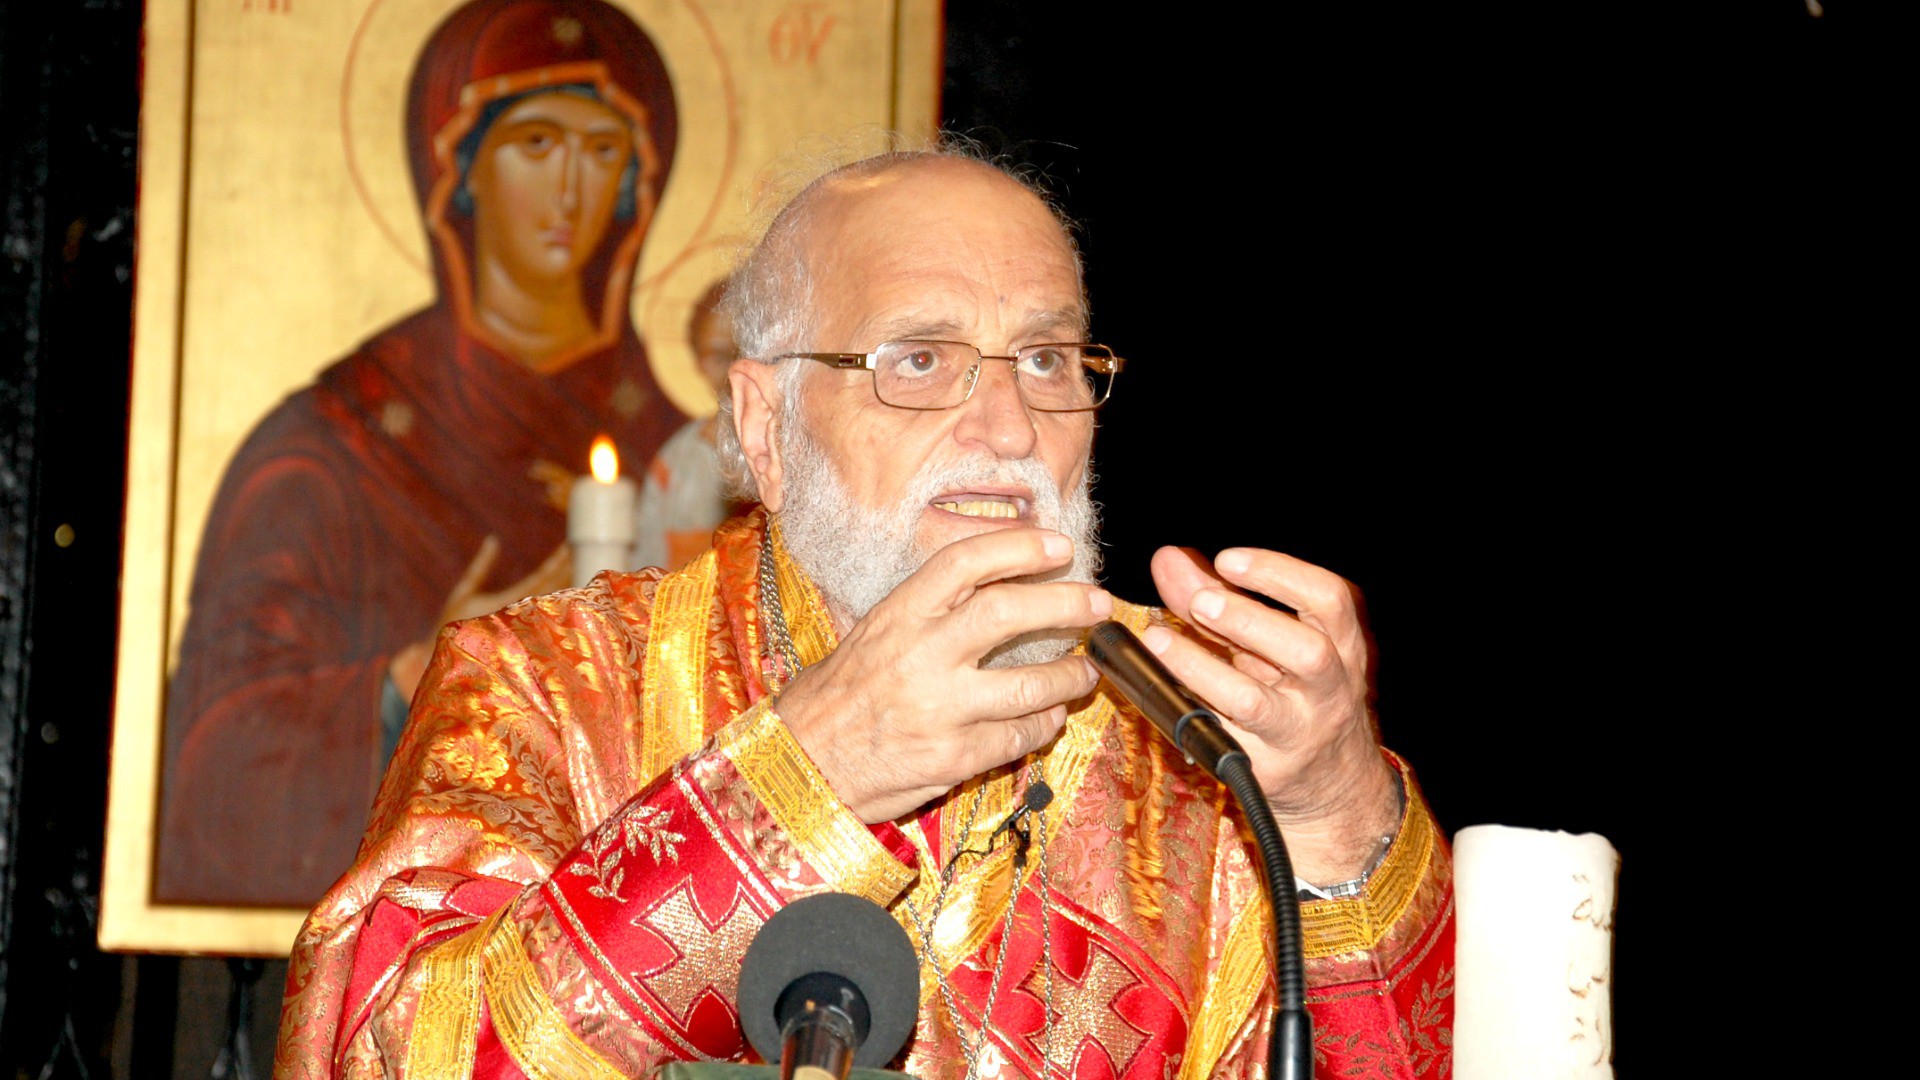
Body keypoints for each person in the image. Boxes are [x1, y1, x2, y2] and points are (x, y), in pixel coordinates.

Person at [275, 148, 1454, 1079]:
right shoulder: (544, 683)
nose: (1007, 429)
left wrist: (1336, 815)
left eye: (1047, 362)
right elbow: (383, 1053)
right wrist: (805, 777)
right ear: (761, 425)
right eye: (922, 361)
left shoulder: (1201, 736)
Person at [158, 0, 687, 906]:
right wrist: (419, 677)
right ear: (459, 169)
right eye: (535, 144)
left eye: (603, 152)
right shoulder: (333, 447)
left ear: (640, 182)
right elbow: (211, 766)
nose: (571, 191)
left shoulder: (696, 459)